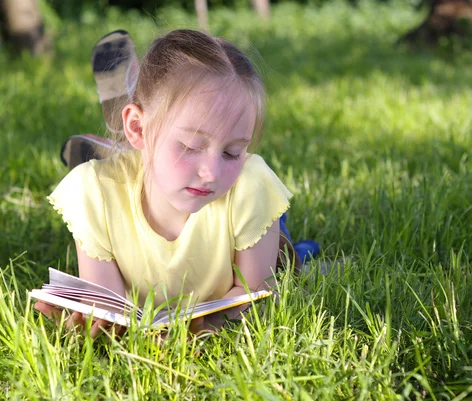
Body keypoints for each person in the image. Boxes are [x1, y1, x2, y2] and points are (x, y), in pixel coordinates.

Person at [35, 29, 319, 338]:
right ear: (137, 127)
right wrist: (92, 325)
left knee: (291, 259)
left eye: (231, 151)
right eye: (190, 147)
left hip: (248, 221)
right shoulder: (93, 194)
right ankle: (122, 147)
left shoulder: (248, 185)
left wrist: (202, 327)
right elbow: (112, 308)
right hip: (134, 175)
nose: (210, 172)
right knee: (114, 180)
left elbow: (258, 295)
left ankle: (122, 146)